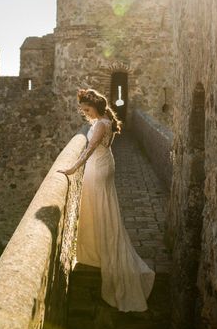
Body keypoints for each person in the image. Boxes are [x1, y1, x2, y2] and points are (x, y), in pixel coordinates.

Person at [58, 88, 155, 312]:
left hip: (98, 167)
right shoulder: (103, 121)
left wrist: (72, 168)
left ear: (97, 108)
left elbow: (89, 149)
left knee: (99, 208)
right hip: (103, 164)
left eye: (87, 109)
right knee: (98, 207)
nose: (85, 113)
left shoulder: (101, 124)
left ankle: (103, 253)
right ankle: (96, 252)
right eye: (82, 110)